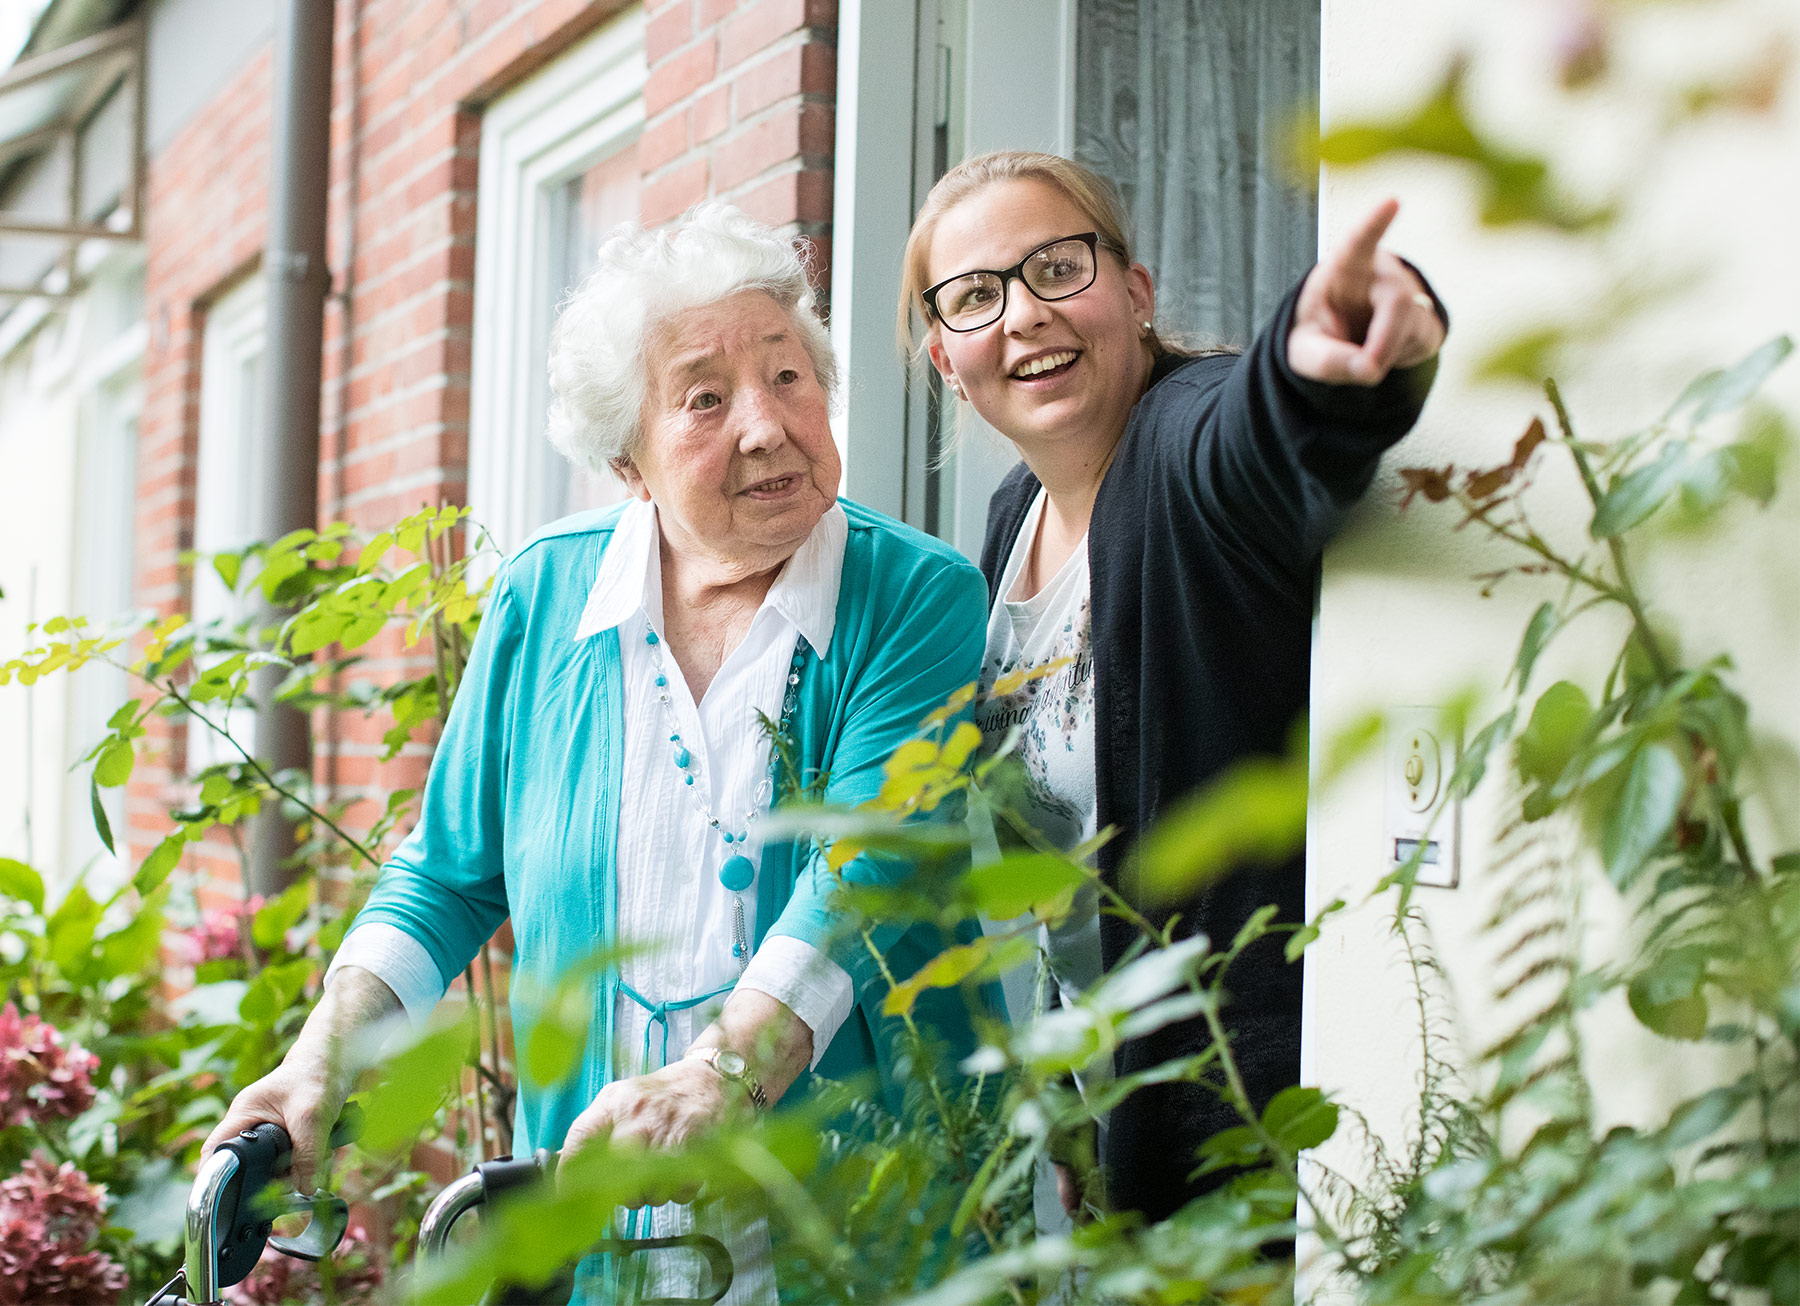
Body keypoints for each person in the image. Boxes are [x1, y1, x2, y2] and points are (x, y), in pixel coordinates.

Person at [206, 204, 990, 1305]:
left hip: (850, 1233)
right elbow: (444, 873)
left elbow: (870, 870)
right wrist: (321, 1055)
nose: (766, 426)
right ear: (629, 458)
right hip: (591, 1239)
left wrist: (725, 1071)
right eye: (706, 399)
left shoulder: (917, 595)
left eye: (789, 377)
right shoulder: (546, 594)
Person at [897, 152, 1447, 1223]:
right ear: (946, 361)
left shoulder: (1179, 444)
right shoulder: (1014, 521)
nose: (1024, 316)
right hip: (1122, 1122)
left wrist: (1323, 352)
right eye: (975, 296)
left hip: (1240, 1137)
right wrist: (1067, 1088)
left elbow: (1253, 433)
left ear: (1136, 294)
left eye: (1058, 267)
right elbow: (1064, 860)